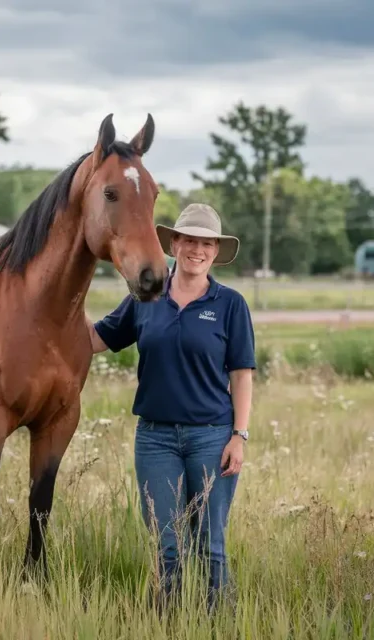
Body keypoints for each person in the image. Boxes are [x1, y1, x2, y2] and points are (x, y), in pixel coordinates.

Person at [87, 203, 256, 612]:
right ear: (174, 244)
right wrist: (48, 322)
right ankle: (166, 623)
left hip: (212, 437)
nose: (197, 250)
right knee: (167, 544)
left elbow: (242, 374)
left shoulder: (230, 304)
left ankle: (219, 624)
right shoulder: (147, 295)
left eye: (206, 243)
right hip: (155, 439)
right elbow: (97, 339)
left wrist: (239, 435)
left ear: (216, 251)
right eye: (190, 240)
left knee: (209, 545)